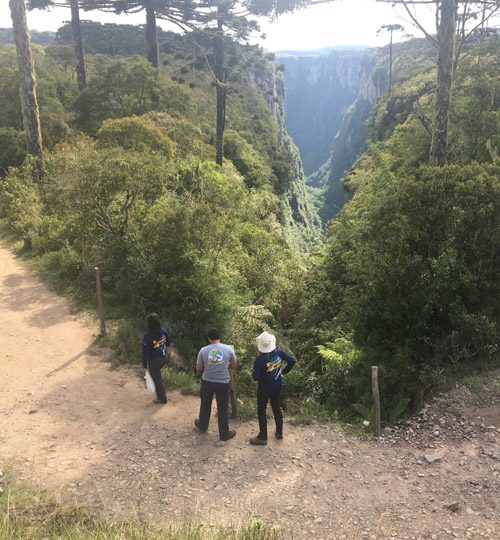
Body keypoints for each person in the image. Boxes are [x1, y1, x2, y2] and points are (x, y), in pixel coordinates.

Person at [250, 331, 296, 445]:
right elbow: (292, 361)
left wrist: (257, 372)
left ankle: (263, 437)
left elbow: (255, 377)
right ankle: (279, 432)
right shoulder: (279, 351)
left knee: (261, 411)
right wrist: (282, 372)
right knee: (276, 407)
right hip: (277, 385)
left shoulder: (259, 360)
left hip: (264, 388)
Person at [194, 328, 237, 441]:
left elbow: (198, 368)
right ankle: (224, 434)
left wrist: (207, 367)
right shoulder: (228, 349)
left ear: (209, 338)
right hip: (223, 383)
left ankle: (202, 426)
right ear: (219, 337)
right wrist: (224, 366)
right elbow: (234, 365)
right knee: (223, 408)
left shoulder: (203, 350)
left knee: (205, 404)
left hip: (207, 382)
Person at [142, 313, 171, 404]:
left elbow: (145, 352)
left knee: (157, 379)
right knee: (157, 377)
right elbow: (168, 343)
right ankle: (161, 393)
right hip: (163, 358)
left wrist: (144, 365)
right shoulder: (164, 331)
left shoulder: (147, 337)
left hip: (154, 361)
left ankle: (162, 398)